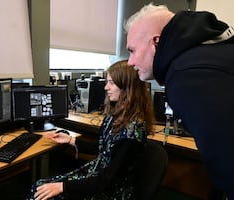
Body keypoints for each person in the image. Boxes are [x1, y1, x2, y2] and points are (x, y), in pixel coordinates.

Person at [125, 3, 234, 200]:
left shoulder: (185, 76)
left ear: (155, 42)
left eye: (132, 50)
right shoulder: (208, 57)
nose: (130, 61)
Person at [27, 60, 154, 200]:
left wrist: (62, 187)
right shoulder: (116, 116)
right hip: (98, 174)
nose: (106, 87)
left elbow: (107, 180)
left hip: (110, 190)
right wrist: (70, 140)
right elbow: (103, 147)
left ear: (127, 87)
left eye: (111, 83)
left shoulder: (133, 132)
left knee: (41, 194)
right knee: (39, 187)